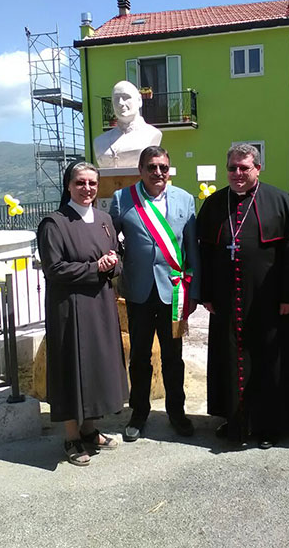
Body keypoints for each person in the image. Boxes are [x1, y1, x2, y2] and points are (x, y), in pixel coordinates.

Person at [197, 143, 289, 449]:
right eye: (232, 168)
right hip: (226, 299)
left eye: (244, 168)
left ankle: (269, 425)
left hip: (270, 299)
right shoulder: (214, 204)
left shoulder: (278, 200)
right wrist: (206, 293)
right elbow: (206, 252)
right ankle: (236, 420)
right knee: (231, 358)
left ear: (257, 169)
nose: (237, 174)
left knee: (268, 360)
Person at [37, 161, 128, 466]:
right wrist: (94, 267)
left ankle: (90, 429)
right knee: (71, 366)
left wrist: (113, 263)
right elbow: (55, 268)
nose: (87, 188)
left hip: (100, 303)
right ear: (68, 186)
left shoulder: (104, 219)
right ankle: (71, 436)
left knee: (96, 366)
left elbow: (116, 259)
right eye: (80, 183)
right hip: (70, 307)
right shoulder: (54, 222)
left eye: (92, 183)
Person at [110, 146, 200, 441]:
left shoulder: (185, 200)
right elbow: (110, 241)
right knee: (139, 357)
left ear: (169, 168)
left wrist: (194, 290)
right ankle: (138, 412)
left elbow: (192, 249)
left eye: (163, 167)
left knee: (173, 357)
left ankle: (177, 412)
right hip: (138, 292)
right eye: (152, 167)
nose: (158, 172)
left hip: (174, 293)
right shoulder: (123, 199)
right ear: (141, 170)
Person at [94, 81, 162, 168]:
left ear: (139, 101)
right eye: (116, 98)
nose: (120, 103)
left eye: (126, 97)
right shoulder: (100, 141)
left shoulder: (152, 134)